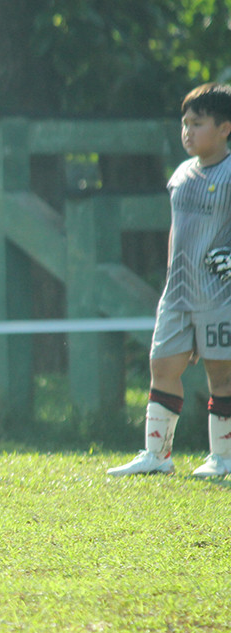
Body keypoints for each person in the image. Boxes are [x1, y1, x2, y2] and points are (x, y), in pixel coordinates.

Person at [108, 82, 231, 478]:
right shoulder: (180, 174)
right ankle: (156, 456)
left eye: (198, 123)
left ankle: (224, 458)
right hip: (178, 292)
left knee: (222, 374)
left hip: (219, 294)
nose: (187, 132)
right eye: (184, 123)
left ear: (225, 127)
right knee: (161, 366)